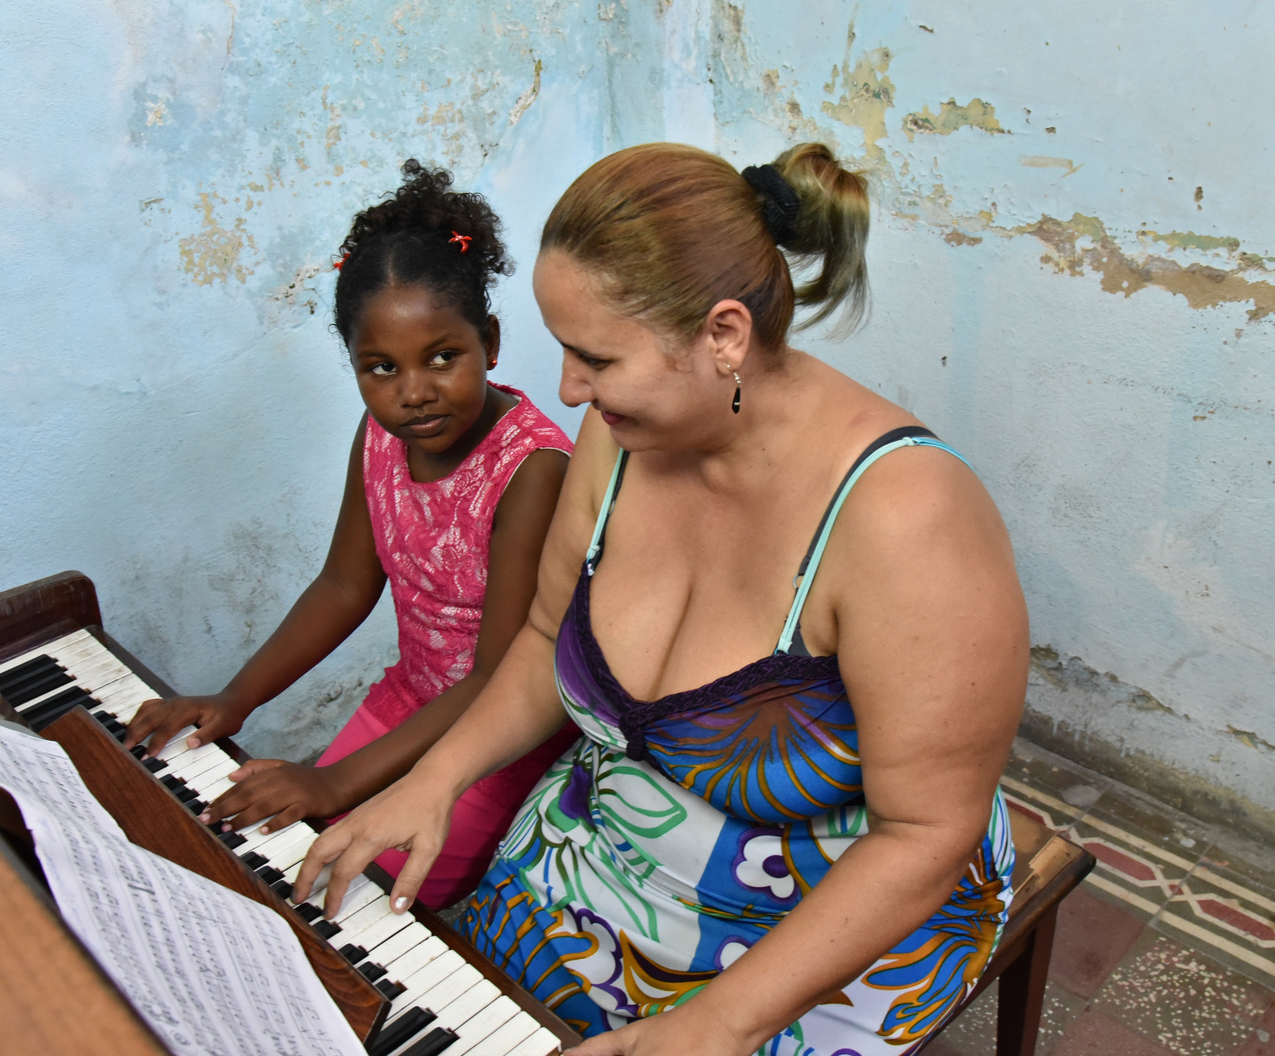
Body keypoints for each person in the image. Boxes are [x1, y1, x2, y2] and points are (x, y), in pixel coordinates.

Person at [291, 142, 1029, 1056]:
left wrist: (716, 1024)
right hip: (609, 846)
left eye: (593, 356)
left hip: (833, 912)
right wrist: (433, 781)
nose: (565, 390)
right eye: (564, 351)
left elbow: (925, 831)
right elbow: (537, 634)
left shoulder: (904, 522)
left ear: (722, 336)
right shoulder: (617, 436)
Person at [125, 160, 578, 910]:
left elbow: (498, 677)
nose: (414, 391)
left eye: (443, 357)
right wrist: (233, 701)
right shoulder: (379, 437)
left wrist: (334, 779)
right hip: (413, 700)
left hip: (494, 738)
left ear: (489, 342)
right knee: (281, 851)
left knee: (355, 895)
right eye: (380, 368)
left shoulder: (532, 470)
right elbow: (343, 585)